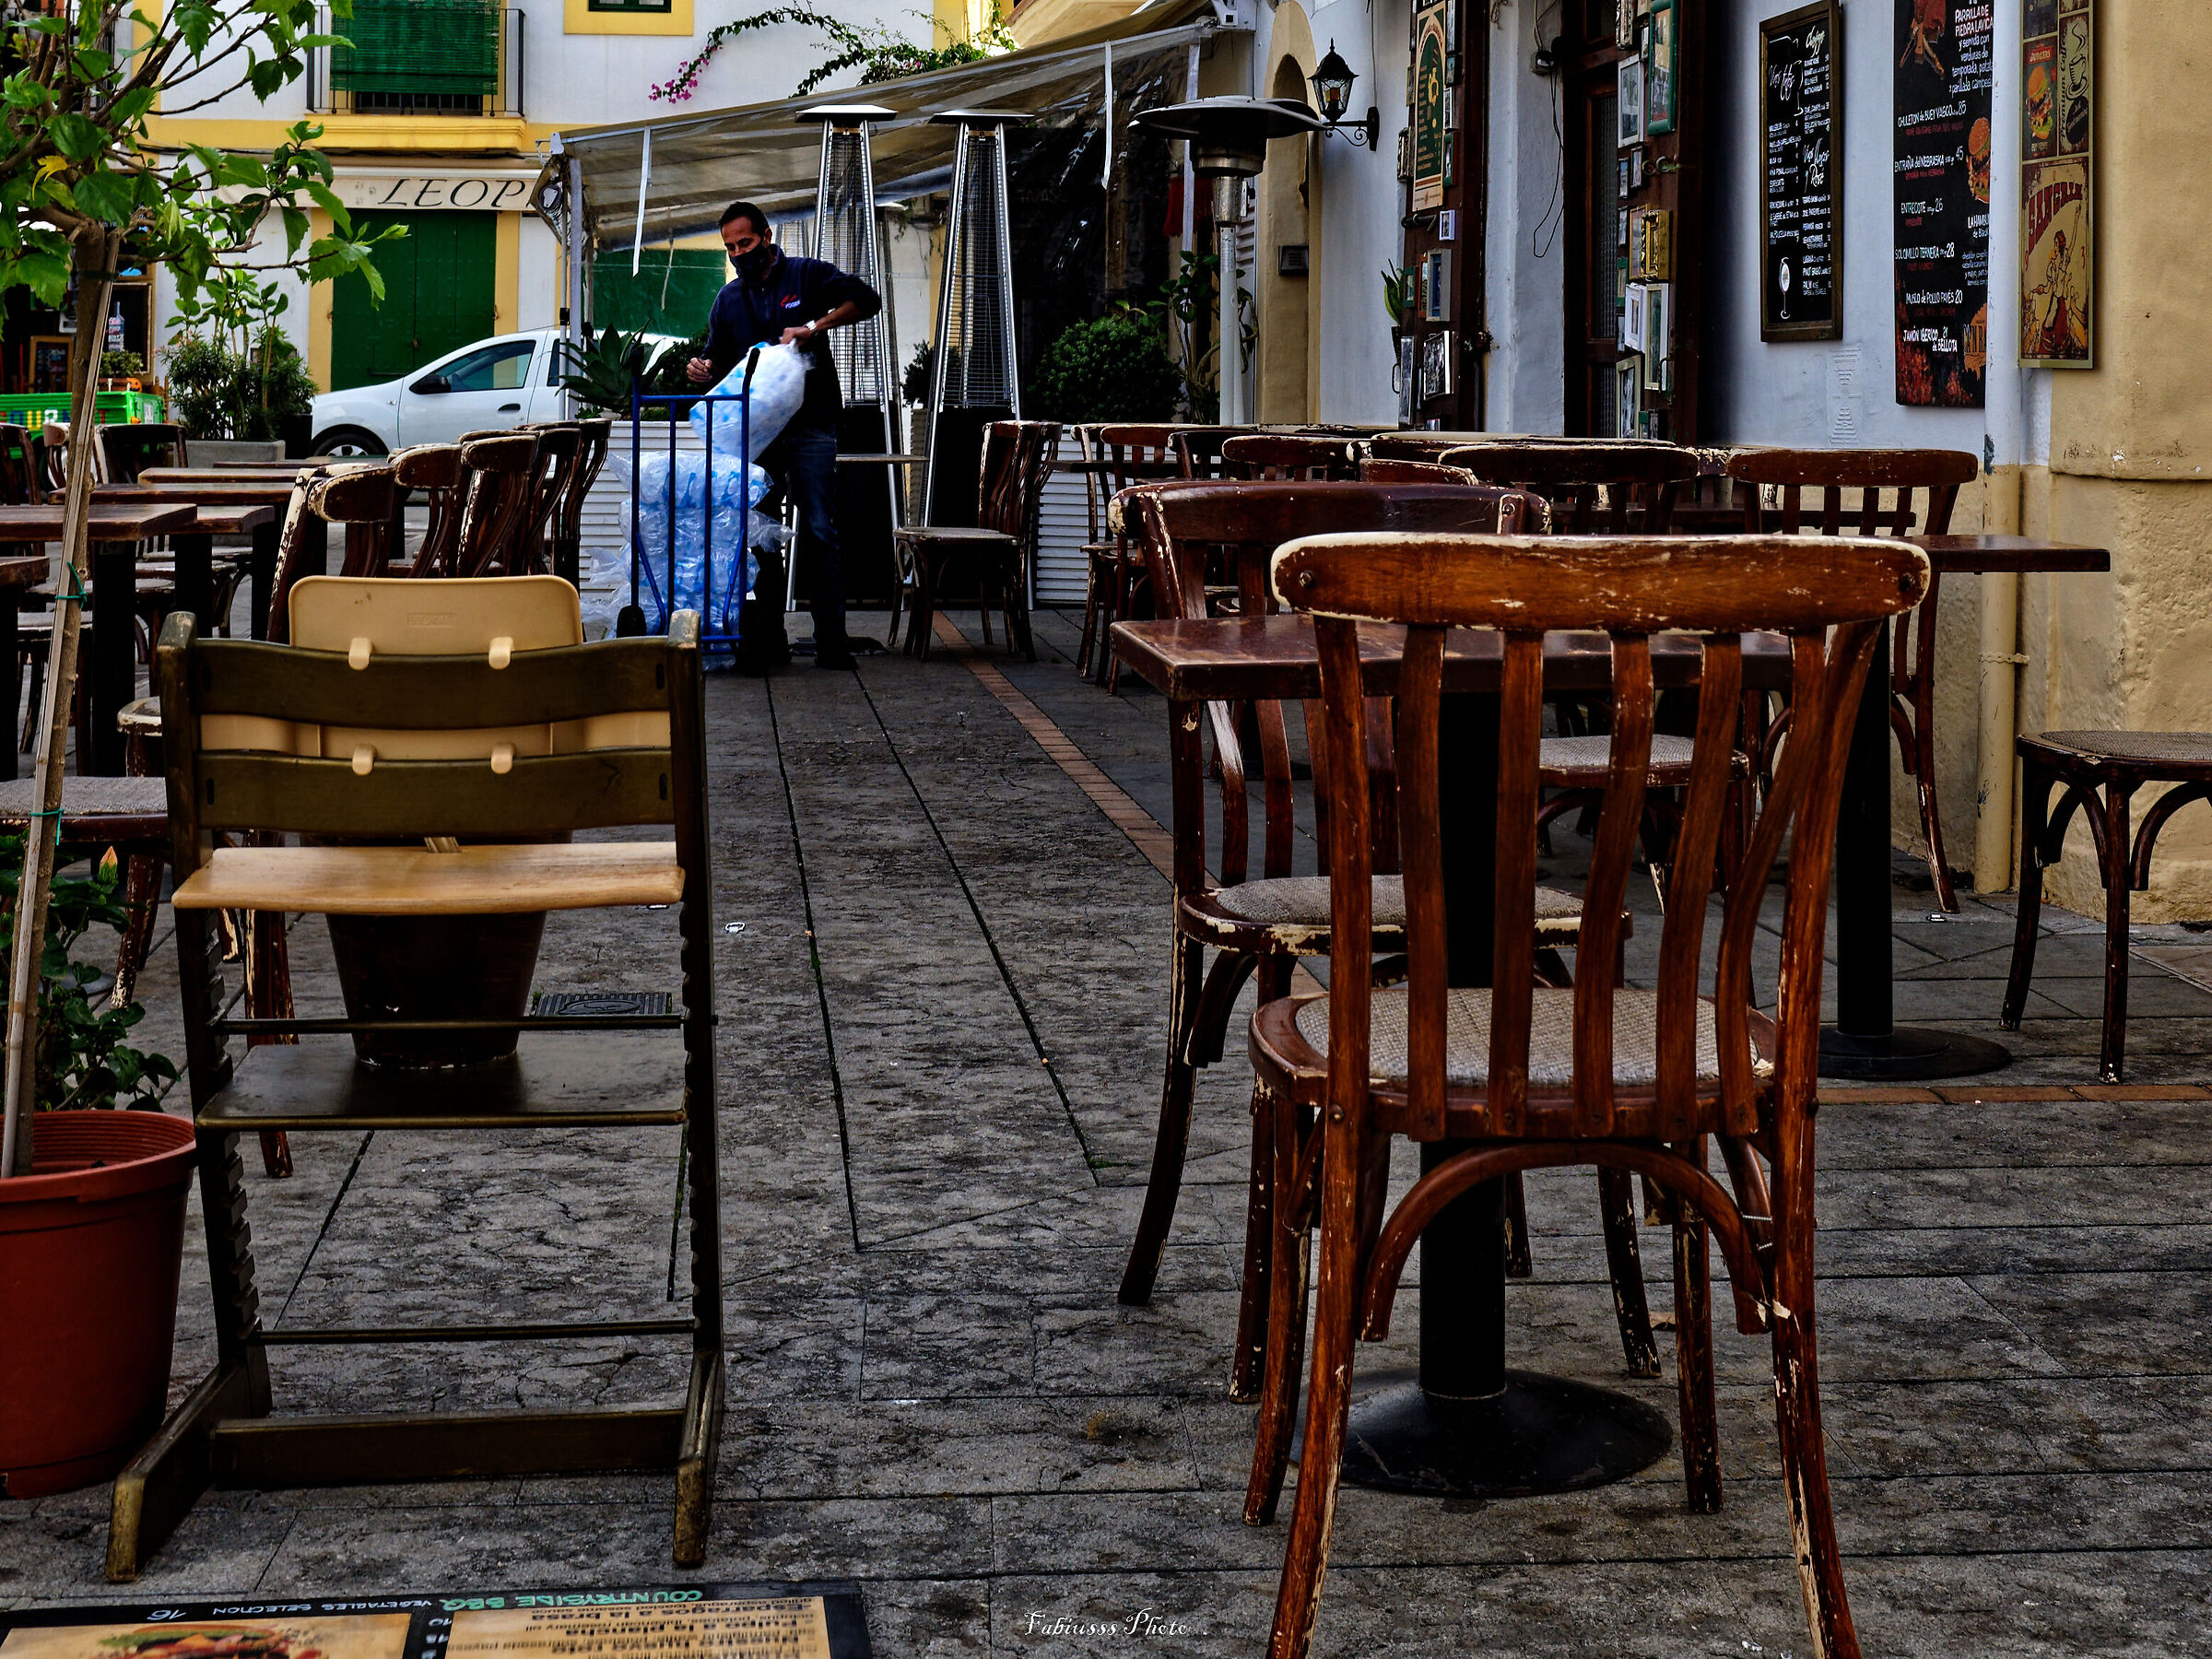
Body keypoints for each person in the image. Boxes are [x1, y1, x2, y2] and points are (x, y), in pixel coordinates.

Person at [688, 199, 882, 671]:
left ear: (767, 237)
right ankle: (766, 641)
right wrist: (701, 368)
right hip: (758, 438)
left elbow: (866, 299)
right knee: (761, 534)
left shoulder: (805, 274)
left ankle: (831, 641)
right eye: (730, 247)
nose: (738, 253)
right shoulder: (729, 300)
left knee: (819, 529)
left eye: (746, 242)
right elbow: (717, 357)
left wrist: (815, 326)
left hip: (812, 424)